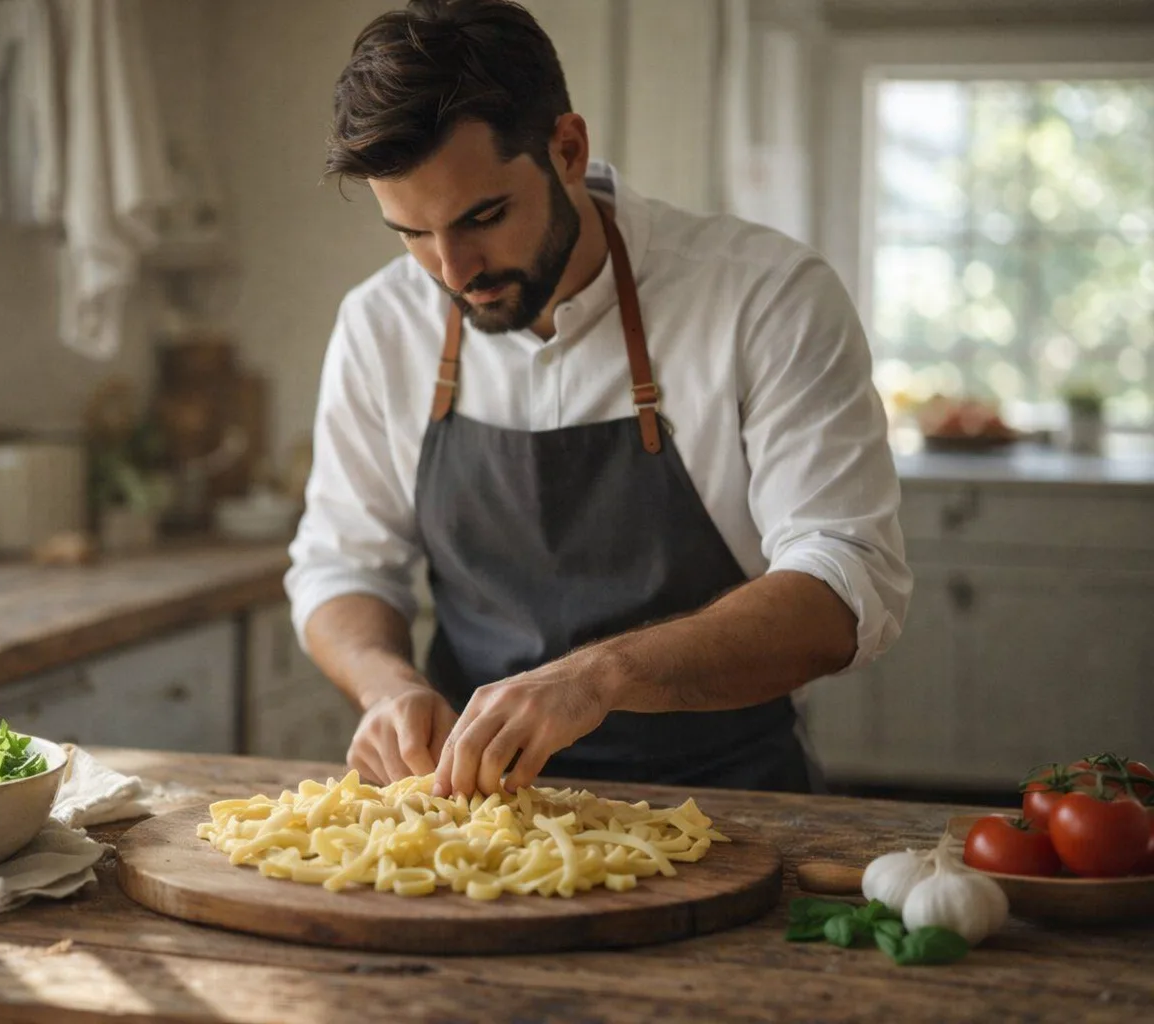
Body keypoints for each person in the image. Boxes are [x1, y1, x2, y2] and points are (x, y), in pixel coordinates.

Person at [285, 0, 910, 798]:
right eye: (410, 233)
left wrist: (598, 678)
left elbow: (844, 584)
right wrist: (386, 686)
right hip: (471, 812)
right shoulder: (380, 325)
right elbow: (341, 565)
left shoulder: (766, 296)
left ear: (568, 149)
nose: (452, 271)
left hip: (728, 797)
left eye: (483, 216)